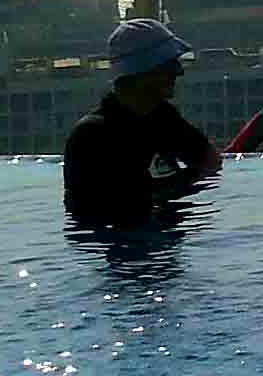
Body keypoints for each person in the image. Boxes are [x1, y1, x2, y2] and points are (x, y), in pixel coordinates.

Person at [63, 19, 224, 225]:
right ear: (140, 71)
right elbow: (117, 207)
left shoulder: (162, 116)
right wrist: (186, 183)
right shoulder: (93, 135)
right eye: (168, 64)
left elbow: (209, 159)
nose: (179, 71)